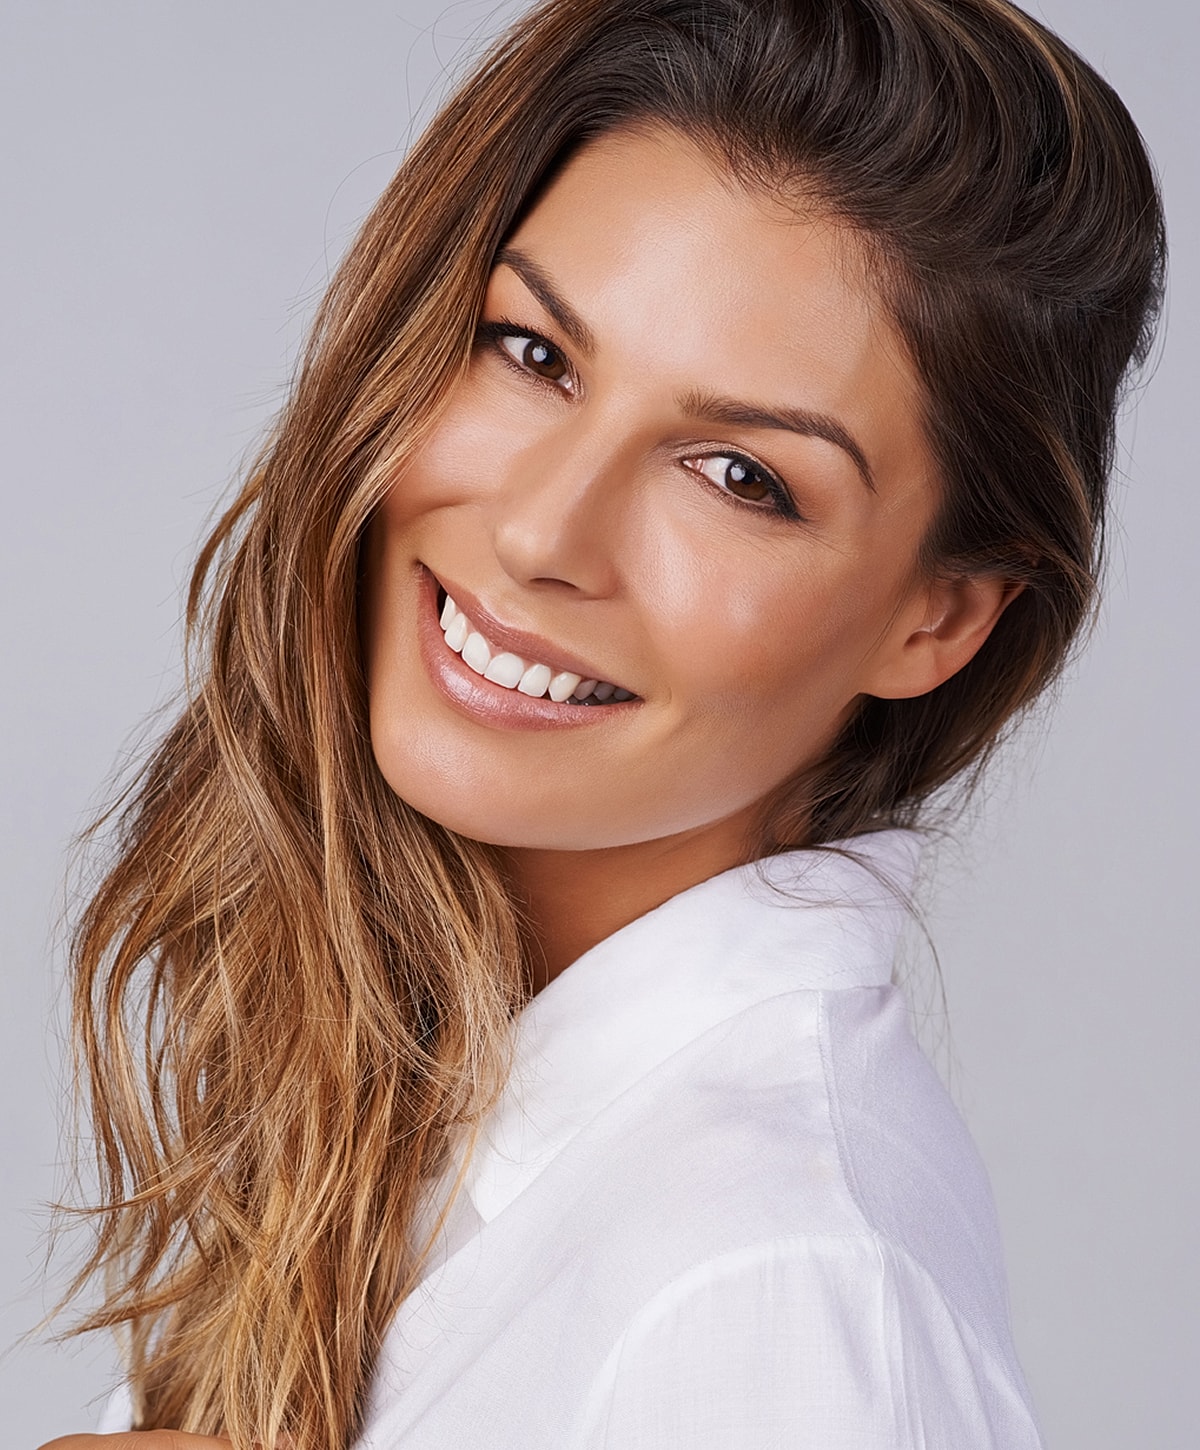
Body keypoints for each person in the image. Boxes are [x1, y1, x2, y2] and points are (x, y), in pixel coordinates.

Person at [39, 0, 1164, 1446]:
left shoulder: (773, 1292)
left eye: (740, 476)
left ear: (935, 619)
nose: (540, 531)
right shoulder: (427, 1074)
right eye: (532, 353)